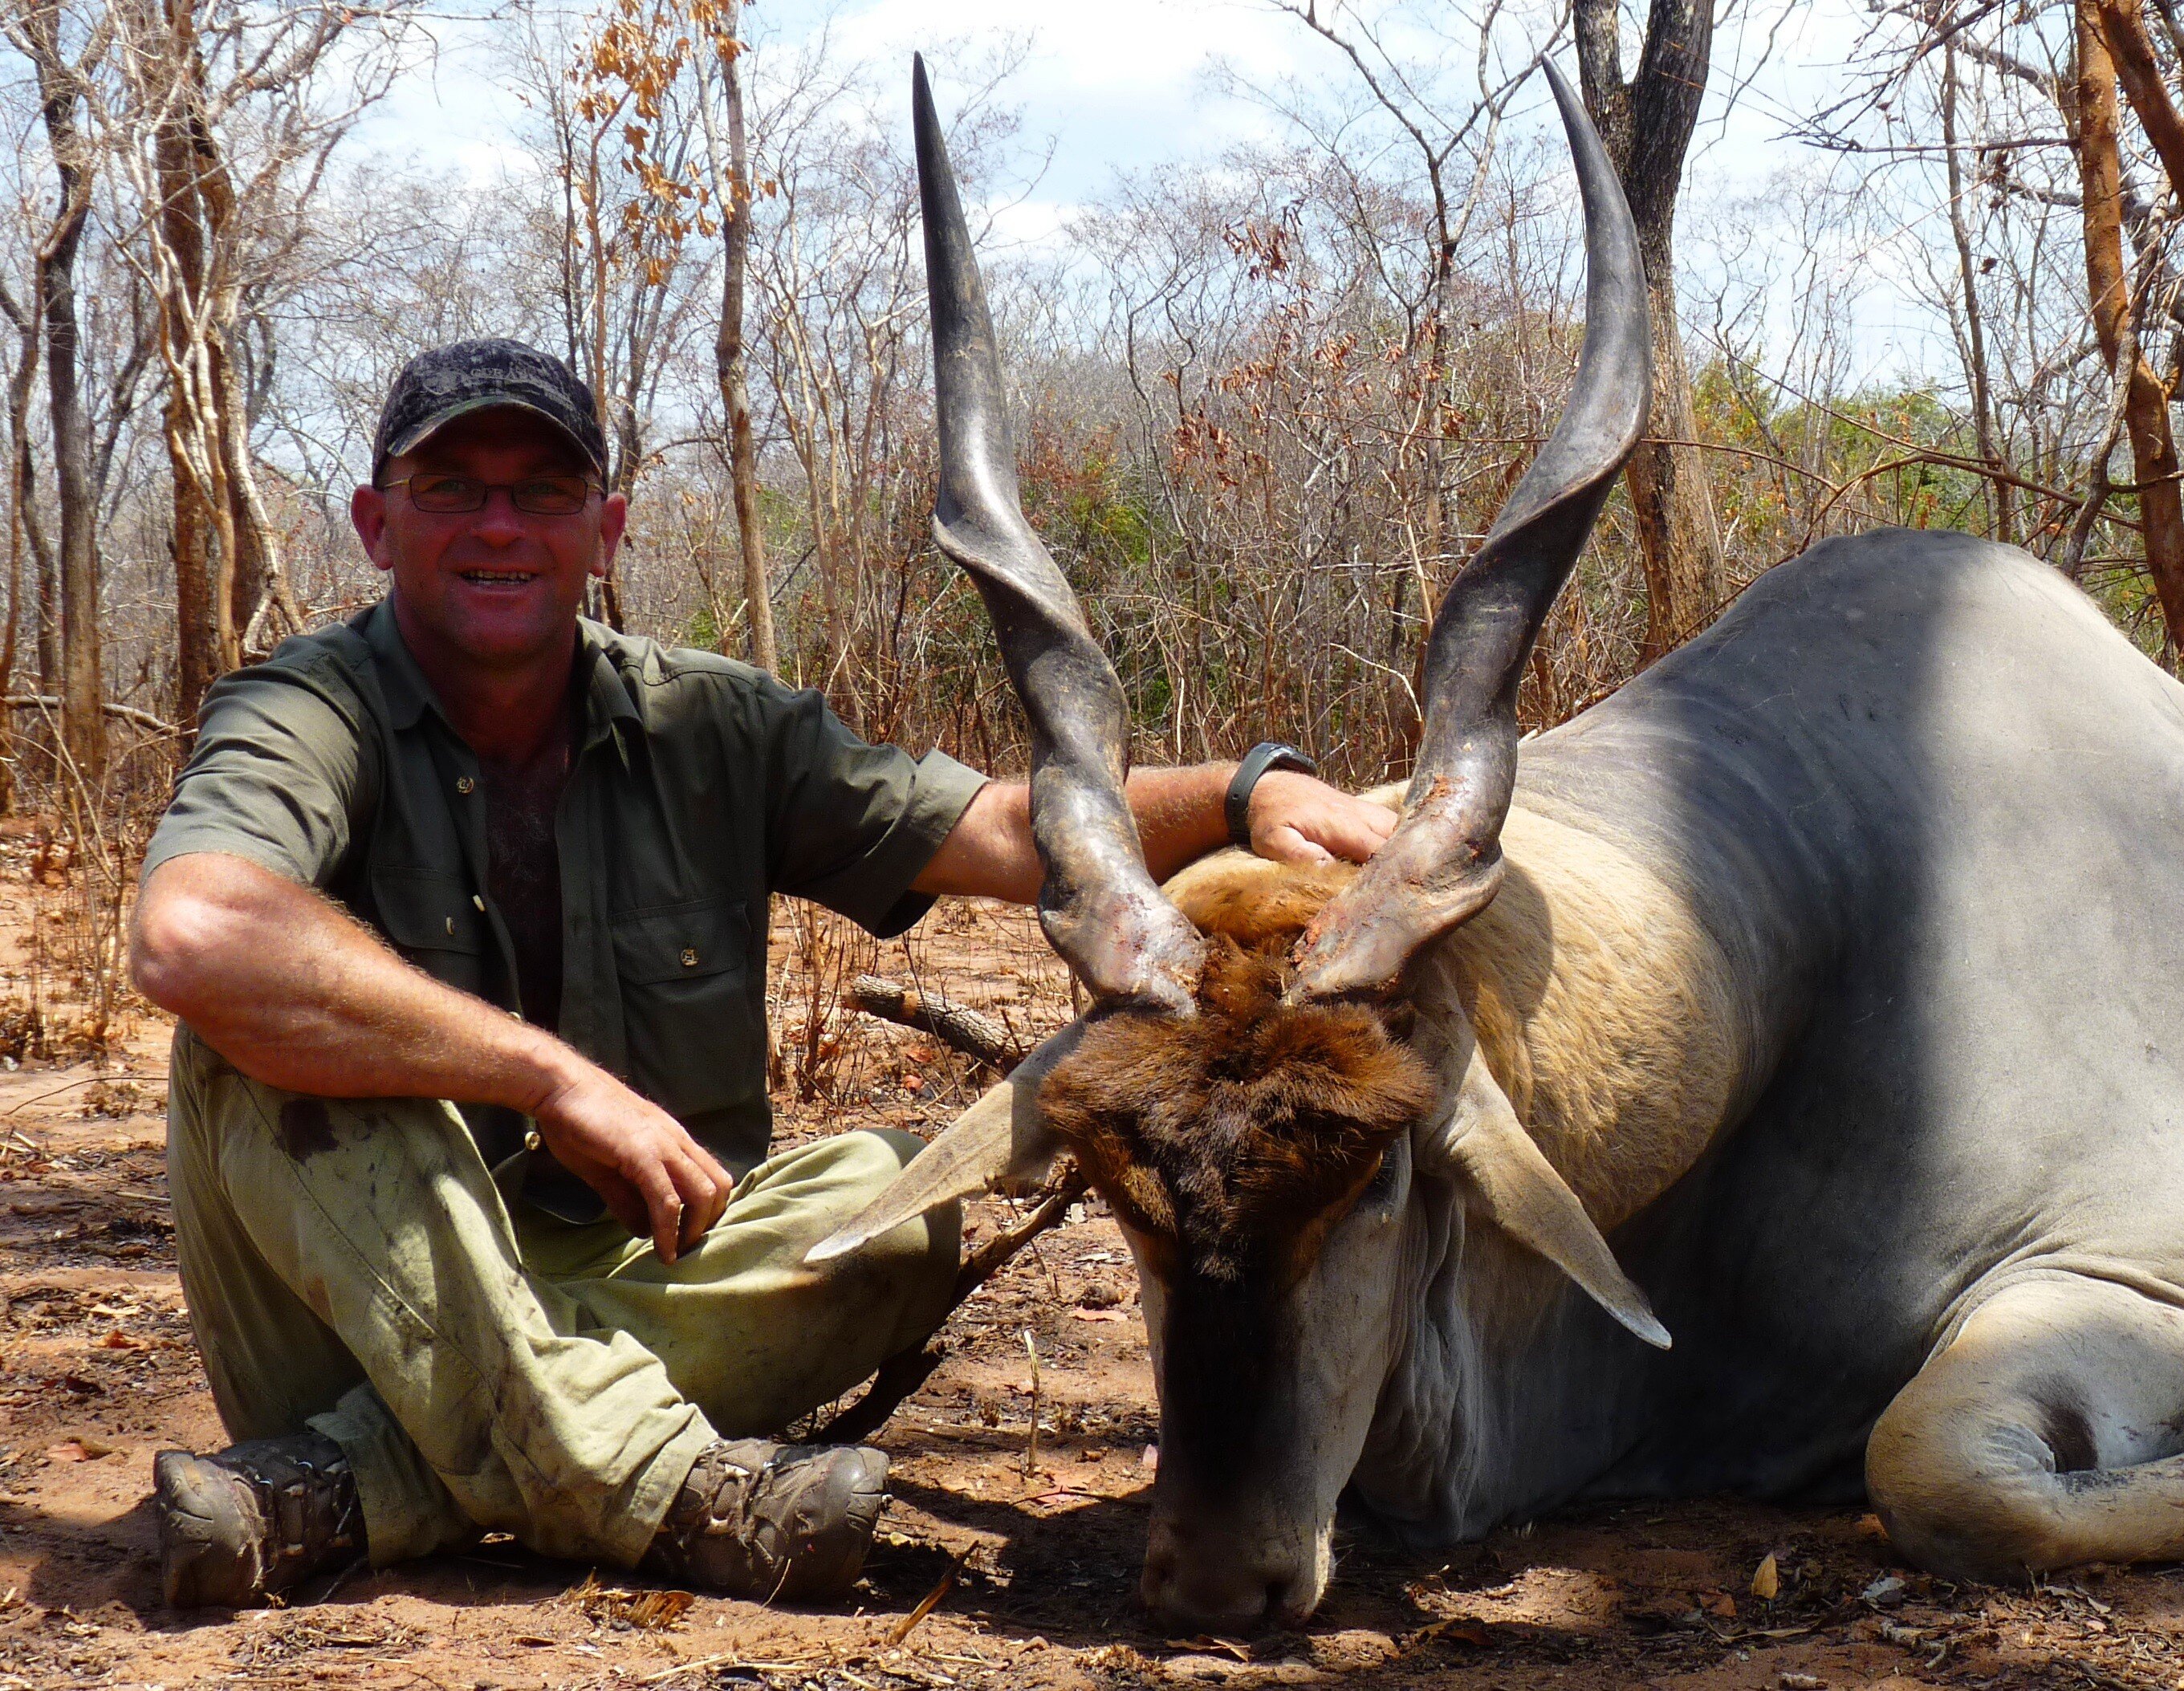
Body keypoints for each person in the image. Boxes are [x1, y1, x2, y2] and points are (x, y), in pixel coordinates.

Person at [125, 339, 1395, 1610]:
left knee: (899, 1199)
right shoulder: (309, 707)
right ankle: (667, 1489)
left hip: (636, 1281)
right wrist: (549, 1079)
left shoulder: (713, 721)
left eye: (544, 491)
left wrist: (1240, 789)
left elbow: (1007, 832)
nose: (499, 525)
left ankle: (351, 1488)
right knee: (257, 1034)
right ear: (375, 525)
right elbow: (192, 935)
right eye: (451, 487)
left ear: (607, 529)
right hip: (356, 1318)